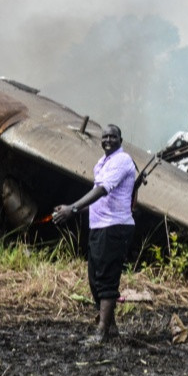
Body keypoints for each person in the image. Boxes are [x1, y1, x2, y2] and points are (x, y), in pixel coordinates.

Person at [52, 124, 136, 344]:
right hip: (99, 226)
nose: (108, 140)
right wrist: (72, 209)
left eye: (113, 136)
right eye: (105, 136)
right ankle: (112, 328)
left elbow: (101, 190)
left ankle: (101, 332)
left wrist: (73, 208)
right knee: (94, 279)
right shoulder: (101, 163)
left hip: (114, 226)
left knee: (107, 279)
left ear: (121, 139)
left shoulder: (122, 161)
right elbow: (100, 198)